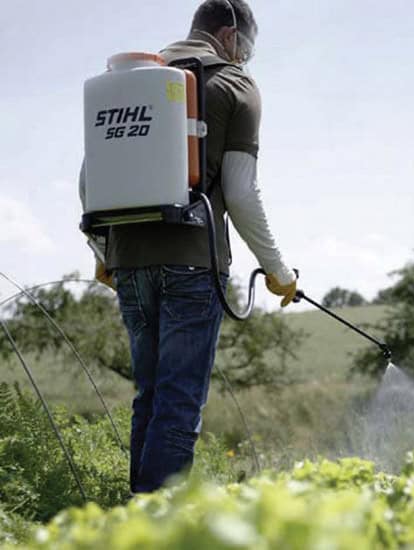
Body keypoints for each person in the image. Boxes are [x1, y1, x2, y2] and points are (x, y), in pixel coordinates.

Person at [79, 0, 297, 493]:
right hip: (193, 264)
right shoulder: (235, 84)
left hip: (129, 264)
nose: (245, 59)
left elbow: (88, 181)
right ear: (228, 34)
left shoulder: (135, 81)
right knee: (178, 404)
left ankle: (134, 521)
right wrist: (277, 270)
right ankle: (157, 530)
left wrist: (101, 254)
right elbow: (240, 192)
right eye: (246, 49)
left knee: (150, 397)